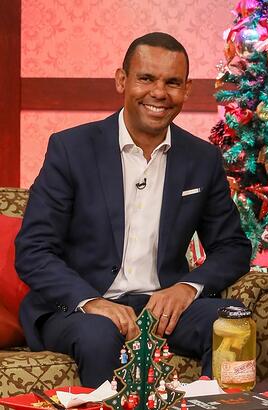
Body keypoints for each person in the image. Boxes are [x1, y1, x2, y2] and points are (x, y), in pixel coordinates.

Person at [15, 32, 252, 387]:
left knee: (230, 323)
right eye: (146, 78)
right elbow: (33, 250)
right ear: (122, 80)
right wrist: (91, 301)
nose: (159, 93)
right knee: (100, 335)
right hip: (80, 309)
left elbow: (233, 247)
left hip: (161, 307)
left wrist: (187, 286)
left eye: (172, 83)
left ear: (186, 90)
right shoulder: (71, 149)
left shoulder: (201, 159)